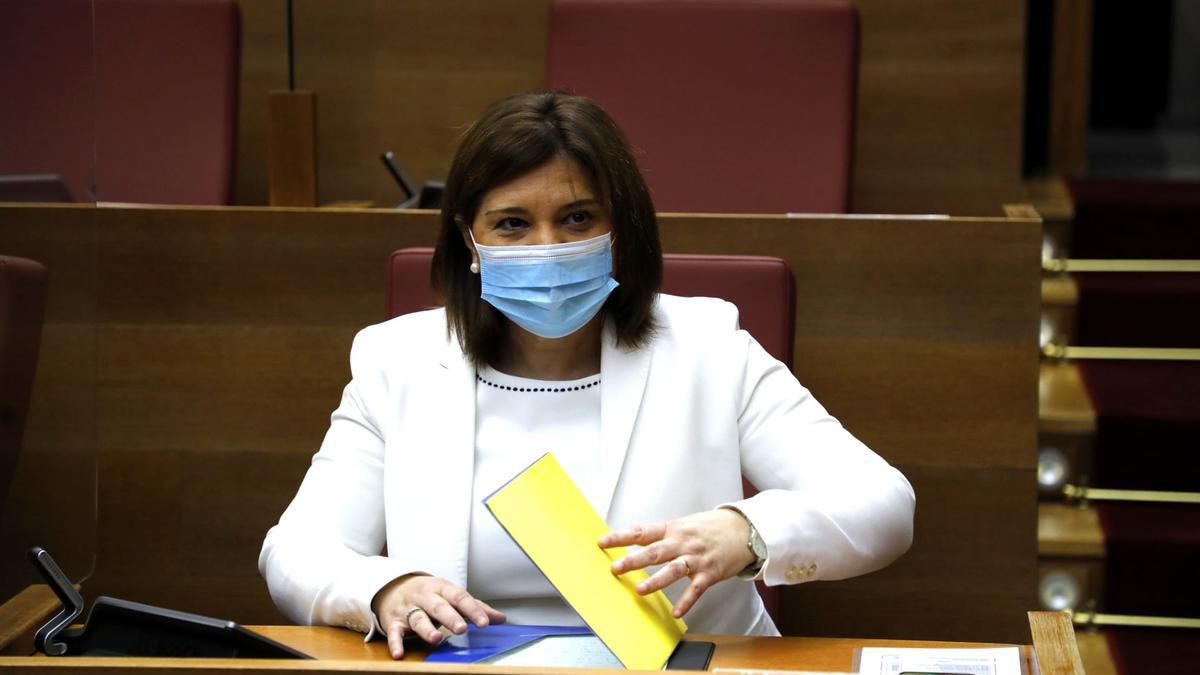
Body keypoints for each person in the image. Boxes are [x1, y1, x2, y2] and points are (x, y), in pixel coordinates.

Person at [259, 91, 914, 660]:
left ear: (618, 228)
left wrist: (748, 532)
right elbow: (295, 551)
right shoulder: (395, 361)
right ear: (469, 238)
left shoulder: (708, 345)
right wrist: (383, 589)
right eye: (513, 224)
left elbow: (883, 505)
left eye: (576, 218)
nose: (547, 246)